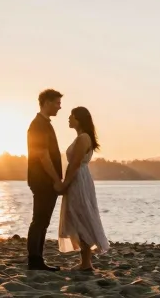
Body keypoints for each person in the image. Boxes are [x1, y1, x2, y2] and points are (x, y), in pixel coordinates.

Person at [57, 106, 110, 272]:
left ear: (79, 119)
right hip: (80, 177)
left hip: (79, 179)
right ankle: (85, 262)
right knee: (78, 216)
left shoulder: (83, 139)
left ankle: (86, 263)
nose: (69, 119)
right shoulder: (82, 137)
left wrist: (65, 184)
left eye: (71, 116)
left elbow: (75, 163)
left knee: (81, 215)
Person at [26, 89, 64, 271]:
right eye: (57, 103)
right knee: (40, 220)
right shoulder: (38, 125)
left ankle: (37, 260)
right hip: (43, 180)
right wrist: (56, 179)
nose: (59, 106)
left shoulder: (44, 124)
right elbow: (42, 155)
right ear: (47, 102)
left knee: (43, 221)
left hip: (45, 180)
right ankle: (34, 261)